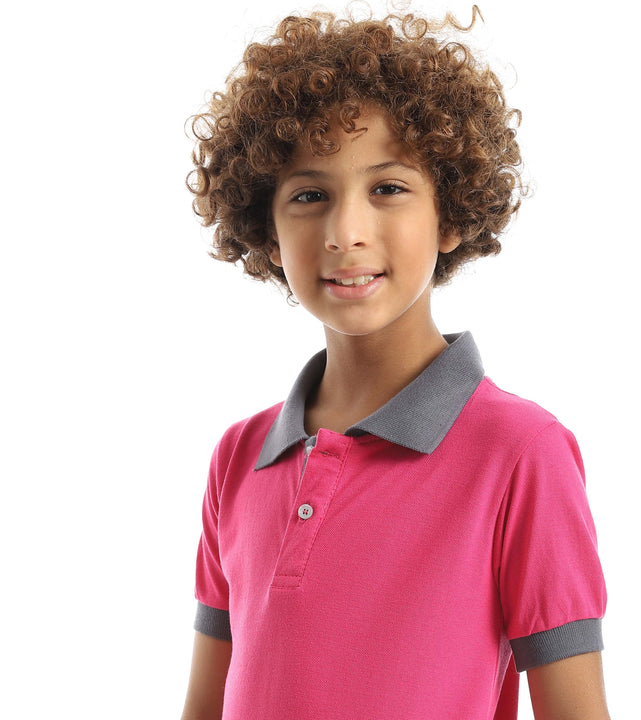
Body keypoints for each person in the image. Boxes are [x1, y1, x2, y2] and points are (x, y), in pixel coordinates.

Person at [180, 8, 610, 720]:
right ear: (268, 230)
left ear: (451, 216)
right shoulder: (239, 457)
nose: (346, 232)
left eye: (388, 188)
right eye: (310, 195)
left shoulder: (521, 453)